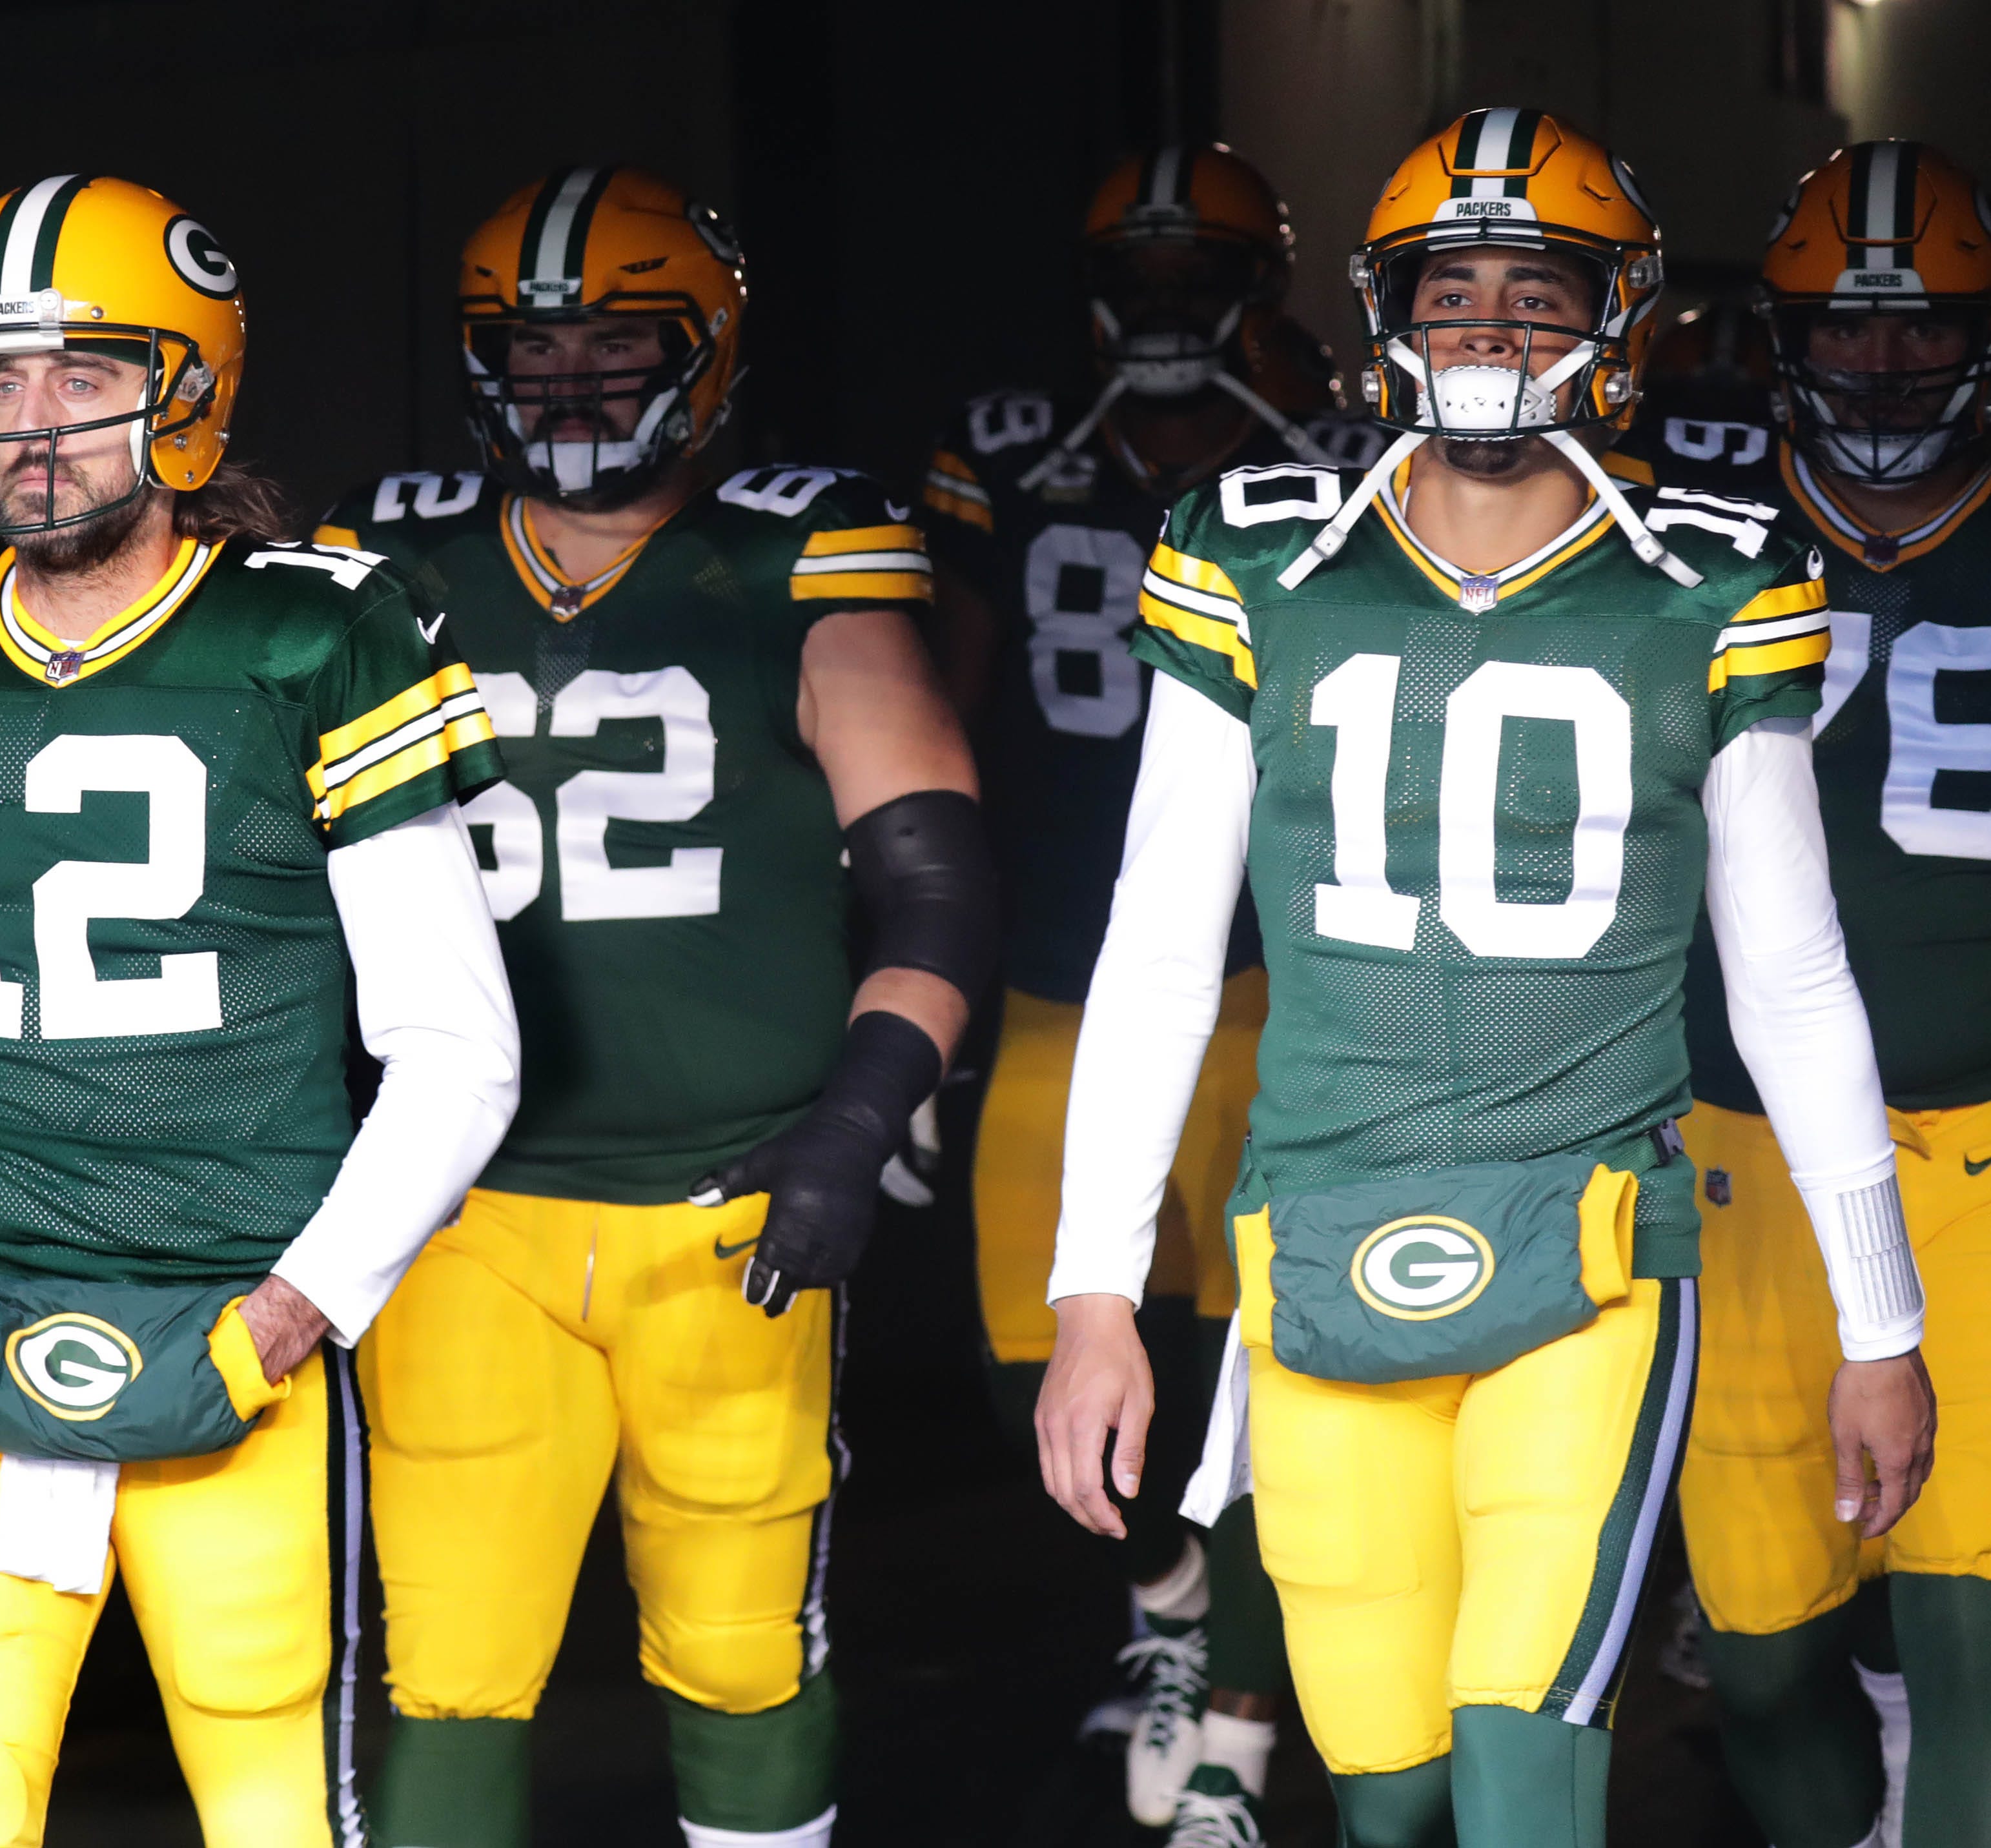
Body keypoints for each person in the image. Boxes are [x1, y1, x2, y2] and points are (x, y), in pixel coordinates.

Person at [1032, 108, 1937, 1848]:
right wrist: (1093, 1292)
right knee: (1388, 1795)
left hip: (1592, 1240)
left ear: (1620, 317)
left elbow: (1790, 977)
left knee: (1528, 1764)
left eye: (1539, 295)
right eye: (1452, 293)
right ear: (1387, 309)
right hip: (1318, 1231)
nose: (1490, 332)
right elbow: (1157, 946)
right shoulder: (1255, 552)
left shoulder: (1710, 580)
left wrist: (1876, 1323)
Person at [0, 174, 519, 1847]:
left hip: (230, 1316)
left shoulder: (314, 633)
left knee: (269, 1806)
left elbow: (458, 1050)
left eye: (85, 374)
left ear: (186, 390)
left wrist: (290, 1316)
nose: (32, 423)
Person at [317, 166, 993, 1848]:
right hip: (459, 1214)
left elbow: (935, 885)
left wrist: (856, 1120)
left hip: (725, 1202)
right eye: (528, 349)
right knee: (453, 1667)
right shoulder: (379, 557)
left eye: (611, 346)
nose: (567, 384)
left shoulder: (796, 550)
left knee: (738, 1647)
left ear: (704, 351)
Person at [919, 142, 1377, 1842]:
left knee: (1261, 1377)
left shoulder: (1335, 462)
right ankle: (1176, 1598)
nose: (1169, 305)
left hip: (1271, 982)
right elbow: (942, 723)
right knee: (1023, 1366)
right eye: (1142, 273)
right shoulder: (1012, 450)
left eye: (1203, 273)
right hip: (1061, 974)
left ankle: (1240, 1735)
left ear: (1264, 285)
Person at [1622, 139, 1991, 1848]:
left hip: (1981, 1145)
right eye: (1845, 325)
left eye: (1924, 326)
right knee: (1765, 1662)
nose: (1884, 360)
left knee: (1972, 1636)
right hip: (1735, 1149)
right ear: (1780, 338)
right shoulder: (1669, 518)